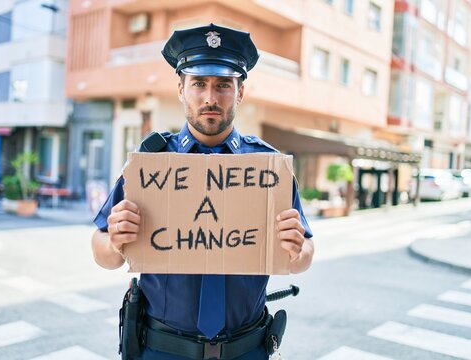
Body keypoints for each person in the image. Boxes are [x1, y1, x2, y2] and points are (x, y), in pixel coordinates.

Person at [91, 23, 314, 360]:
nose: (210, 97)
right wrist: (114, 241)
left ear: (239, 93)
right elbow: (103, 253)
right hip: (162, 350)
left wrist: (297, 251)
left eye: (223, 84)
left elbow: (304, 254)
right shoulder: (151, 163)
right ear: (181, 89)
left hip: (247, 349)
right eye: (199, 83)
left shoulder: (269, 167)